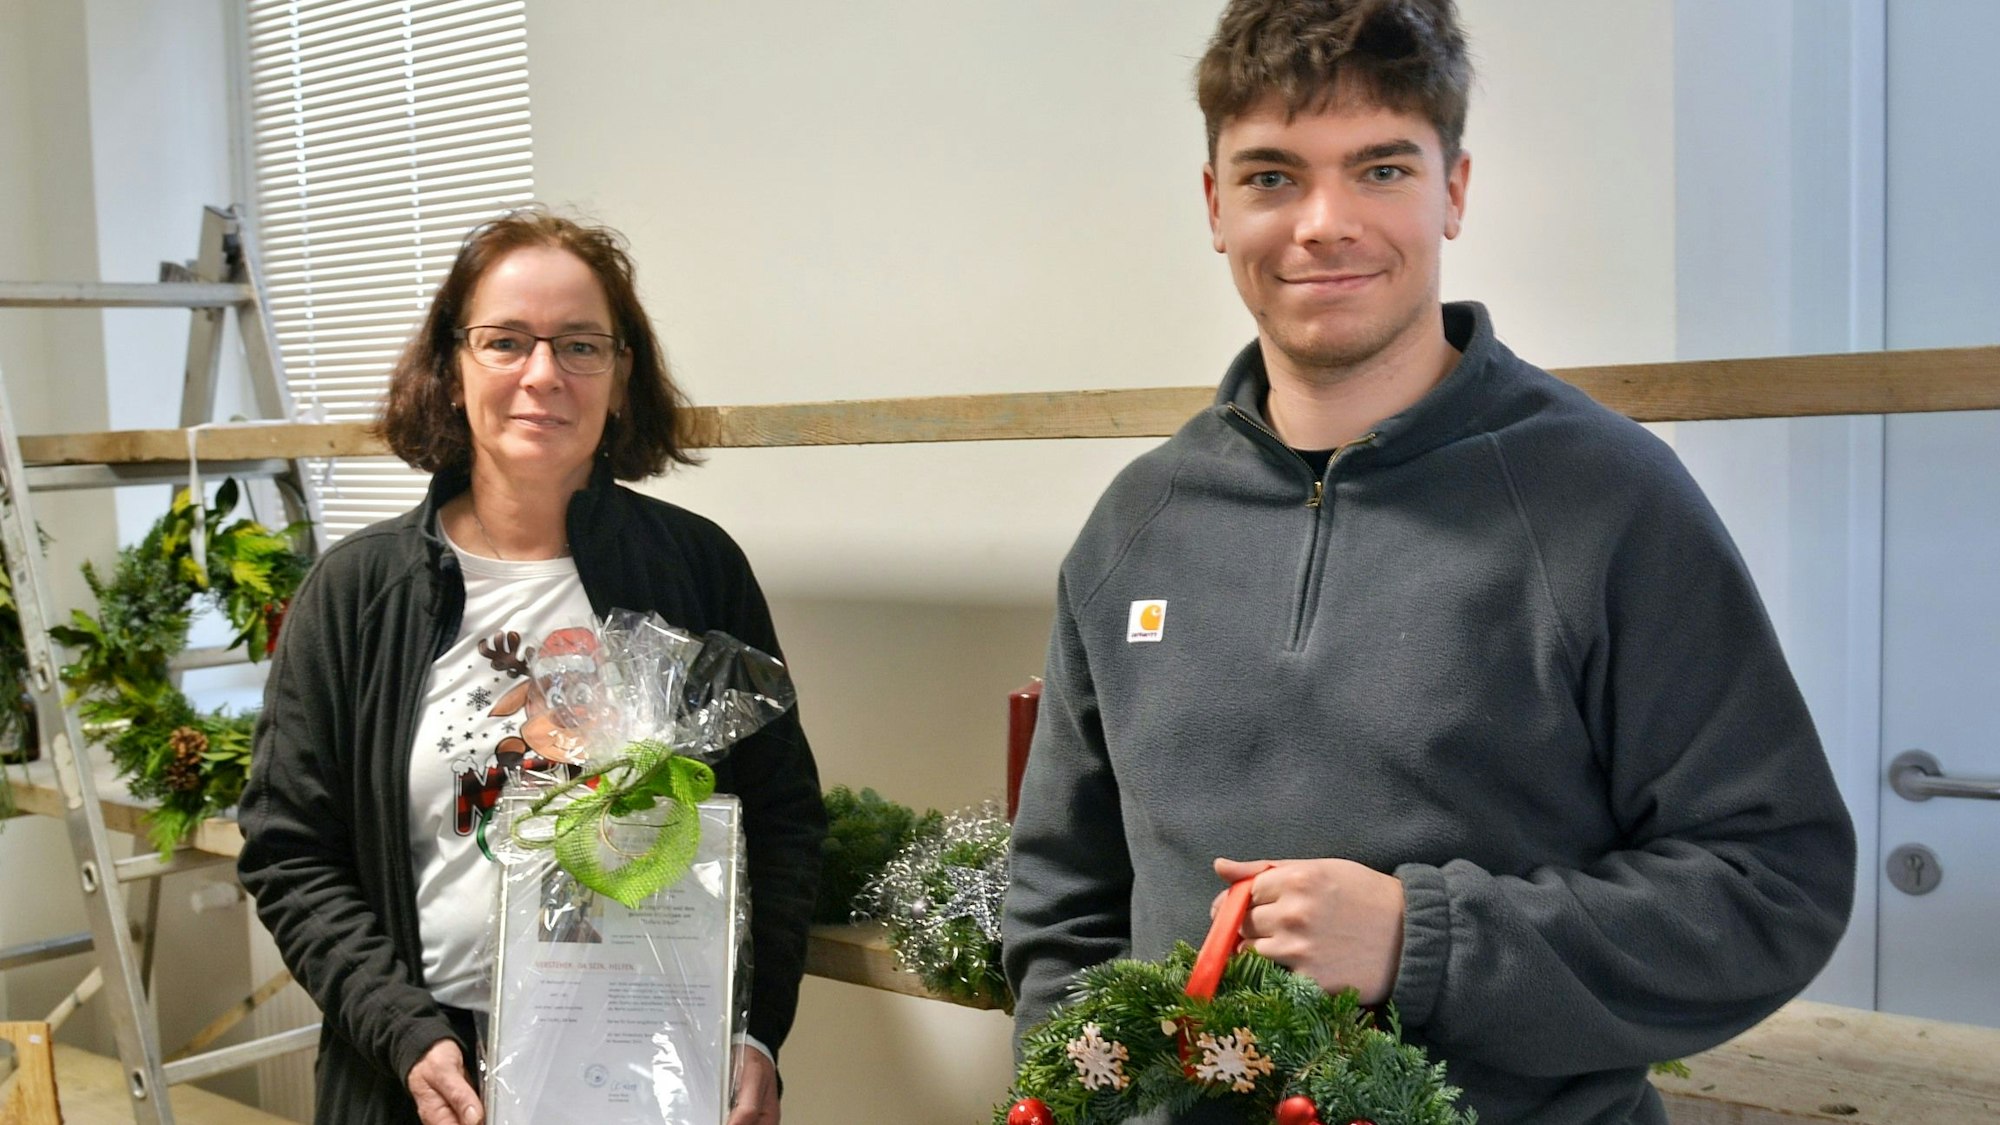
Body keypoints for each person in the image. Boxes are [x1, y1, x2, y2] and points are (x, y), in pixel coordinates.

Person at [1000, 2, 1856, 1121]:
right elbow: (1063, 901)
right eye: (1269, 177)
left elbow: (1769, 887)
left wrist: (1422, 940)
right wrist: (1067, 1098)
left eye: (1378, 168)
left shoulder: (1609, 499)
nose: (1321, 223)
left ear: (1451, 188)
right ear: (1214, 205)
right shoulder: (1134, 523)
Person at [238, 209, 825, 1125]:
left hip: (654, 1072)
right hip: (418, 1081)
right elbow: (290, 853)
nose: (543, 374)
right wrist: (404, 1032)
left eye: (581, 345)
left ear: (622, 375)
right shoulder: (355, 595)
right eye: (505, 341)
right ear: (451, 365)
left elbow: (780, 818)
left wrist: (755, 1032)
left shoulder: (697, 570)